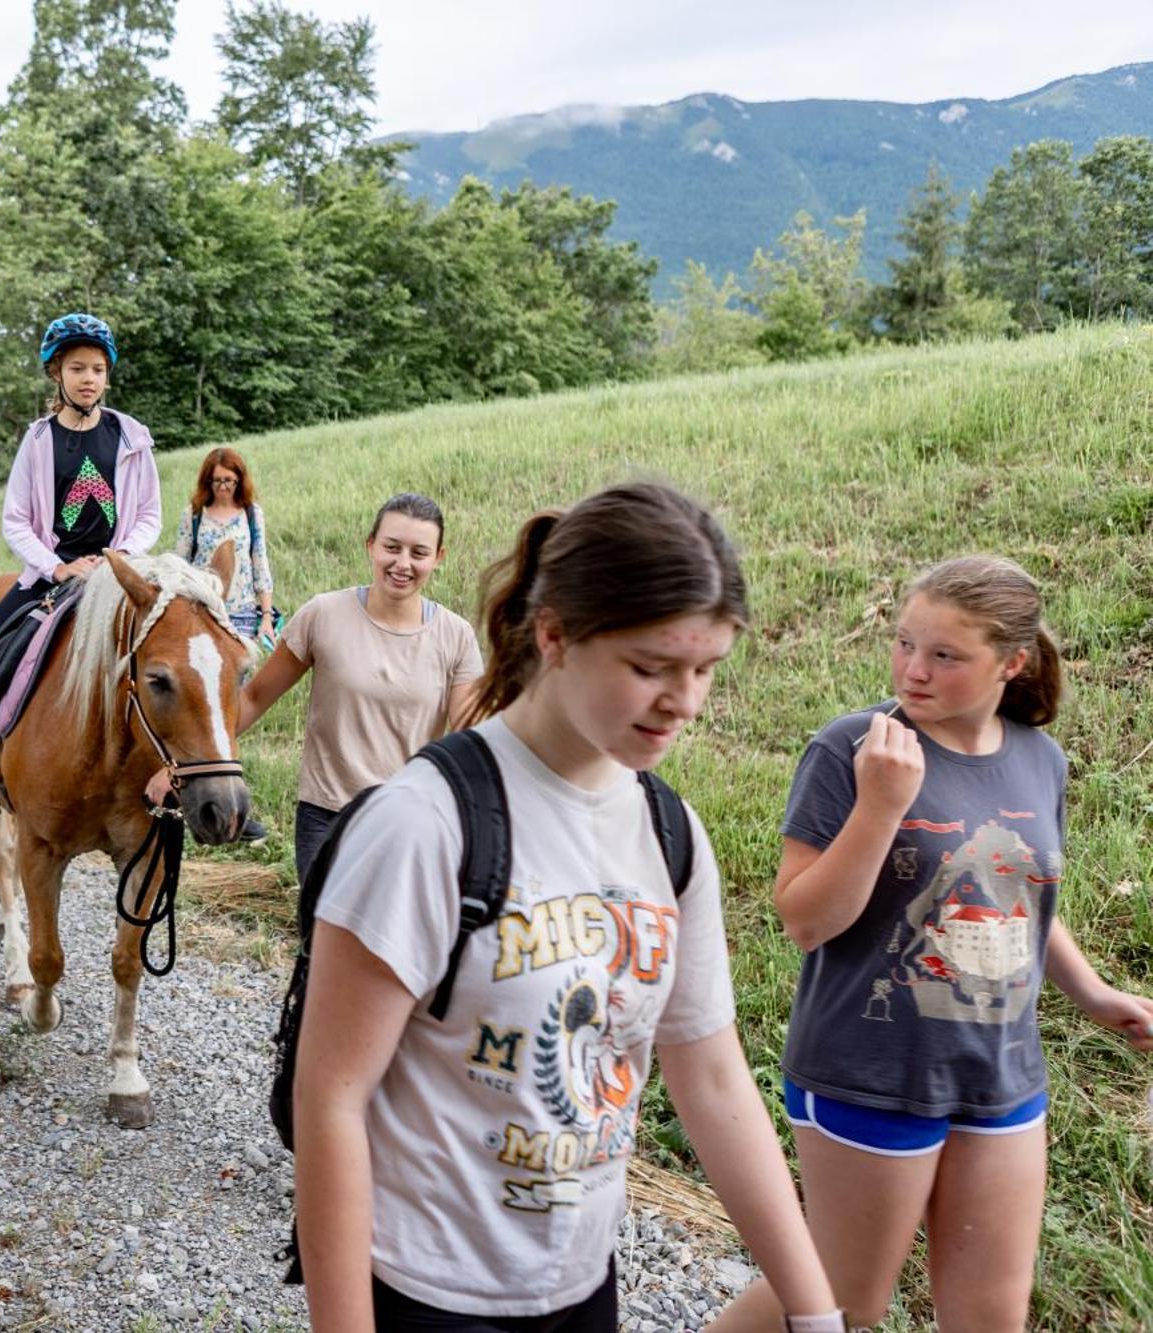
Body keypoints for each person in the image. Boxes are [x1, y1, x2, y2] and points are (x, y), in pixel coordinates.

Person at [293, 482, 846, 1333]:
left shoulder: (669, 833)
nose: (685, 701)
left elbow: (710, 1072)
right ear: (553, 634)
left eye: (704, 668)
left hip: (582, 1288)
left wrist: (814, 1313)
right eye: (650, 667)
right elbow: (330, 1098)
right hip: (426, 1293)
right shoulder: (425, 824)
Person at [715, 556, 1153, 1332]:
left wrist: (1092, 992)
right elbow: (805, 920)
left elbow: (1014, 893)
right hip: (870, 1067)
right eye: (905, 643)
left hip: (1001, 1072)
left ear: (1011, 663)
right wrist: (881, 805)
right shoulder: (854, 747)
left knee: (991, 1314)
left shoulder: (1038, 757)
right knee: (844, 1302)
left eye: (946, 655)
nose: (914, 670)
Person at [0, 313, 161, 796]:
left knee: (173, 658)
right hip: (48, 576)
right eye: (78, 368)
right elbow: (15, 519)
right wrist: (57, 566)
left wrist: (118, 557)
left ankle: (193, 775)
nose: (88, 378)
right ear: (57, 372)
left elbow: (149, 515)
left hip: (115, 574)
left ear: (108, 374)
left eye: (97, 369)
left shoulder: (131, 437)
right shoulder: (38, 440)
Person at [209, 493, 483, 879]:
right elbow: (253, 698)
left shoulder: (455, 636)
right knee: (320, 937)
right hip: (326, 818)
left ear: (438, 557)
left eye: (418, 552)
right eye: (392, 547)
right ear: (371, 546)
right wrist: (179, 763)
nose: (403, 563)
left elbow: (470, 735)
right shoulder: (323, 614)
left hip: (409, 822)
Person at [173, 446, 276, 647]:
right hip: (202, 611)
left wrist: (266, 617)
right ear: (207, 481)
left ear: (239, 480)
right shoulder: (193, 515)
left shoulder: (252, 514)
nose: (222, 487)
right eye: (216, 480)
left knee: (238, 677)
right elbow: (180, 566)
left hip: (242, 613)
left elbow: (260, 565)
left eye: (228, 480)